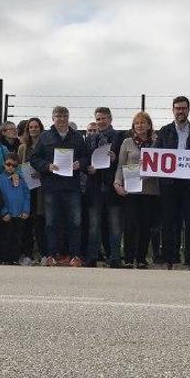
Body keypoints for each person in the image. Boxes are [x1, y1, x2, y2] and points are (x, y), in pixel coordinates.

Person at [153, 96, 190, 269]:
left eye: (183, 108)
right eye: (177, 108)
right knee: (169, 221)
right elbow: (155, 153)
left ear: (188, 110)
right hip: (169, 184)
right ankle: (170, 259)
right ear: (173, 110)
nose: (180, 111)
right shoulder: (164, 131)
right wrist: (148, 161)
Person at [30, 106, 88, 267]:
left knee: (75, 222)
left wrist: (80, 164)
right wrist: (47, 166)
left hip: (72, 186)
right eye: (58, 115)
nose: (61, 118)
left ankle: (75, 255)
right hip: (51, 187)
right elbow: (34, 159)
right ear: (52, 118)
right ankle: (51, 255)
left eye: (64, 115)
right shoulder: (45, 137)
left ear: (68, 117)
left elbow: (86, 158)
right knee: (51, 223)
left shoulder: (77, 137)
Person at [114, 111, 159, 269]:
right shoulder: (127, 142)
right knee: (130, 224)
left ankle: (141, 258)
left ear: (149, 125)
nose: (140, 125)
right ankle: (128, 258)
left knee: (146, 224)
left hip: (150, 189)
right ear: (133, 126)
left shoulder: (156, 142)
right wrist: (117, 183)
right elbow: (120, 165)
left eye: (143, 122)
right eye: (137, 123)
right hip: (131, 189)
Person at [85, 107, 124, 268]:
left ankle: (115, 257)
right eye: (98, 119)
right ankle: (92, 257)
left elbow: (125, 160)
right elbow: (85, 158)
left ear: (110, 119)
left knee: (115, 225)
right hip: (94, 186)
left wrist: (115, 159)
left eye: (104, 118)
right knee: (94, 224)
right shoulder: (90, 138)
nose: (101, 122)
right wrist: (87, 167)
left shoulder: (120, 137)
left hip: (112, 186)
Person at [18, 117, 44, 265]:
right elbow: (19, 167)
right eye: (31, 127)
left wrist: (41, 172)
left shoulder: (46, 146)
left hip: (41, 190)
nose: (33, 129)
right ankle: (26, 254)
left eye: (36, 127)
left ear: (40, 128)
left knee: (41, 222)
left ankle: (44, 254)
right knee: (26, 222)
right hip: (27, 190)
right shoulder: (23, 147)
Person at [0, 154, 31, 265]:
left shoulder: (21, 179)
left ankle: (15, 259)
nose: (10, 167)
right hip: (7, 215)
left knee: (17, 238)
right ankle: (5, 259)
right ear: (4, 164)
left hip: (19, 214)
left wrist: (26, 210)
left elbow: (27, 195)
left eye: (13, 165)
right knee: (5, 237)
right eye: (8, 164)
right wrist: (3, 212)